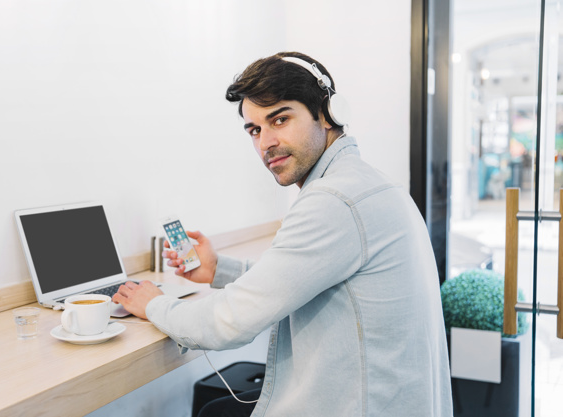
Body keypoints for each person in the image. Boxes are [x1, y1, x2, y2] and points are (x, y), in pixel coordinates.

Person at [112, 51, 453, 417]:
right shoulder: (370, 184)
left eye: (280, 119)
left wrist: (153, 303)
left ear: (327, 114)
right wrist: (217, 270)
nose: (265, 143)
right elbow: (296, 280)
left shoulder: (333, 201)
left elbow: (229, 323)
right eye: (255, 129)